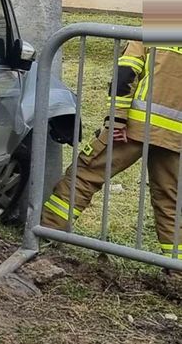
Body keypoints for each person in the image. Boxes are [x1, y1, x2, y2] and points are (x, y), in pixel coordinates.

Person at [42, 40, 181, 262]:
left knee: (85, 176)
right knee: (170, 200)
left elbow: (126, 71)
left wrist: (116, 119)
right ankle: (176, 267)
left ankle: (47, 235)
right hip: (175, 134)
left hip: (133, 126)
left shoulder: (165, 16)